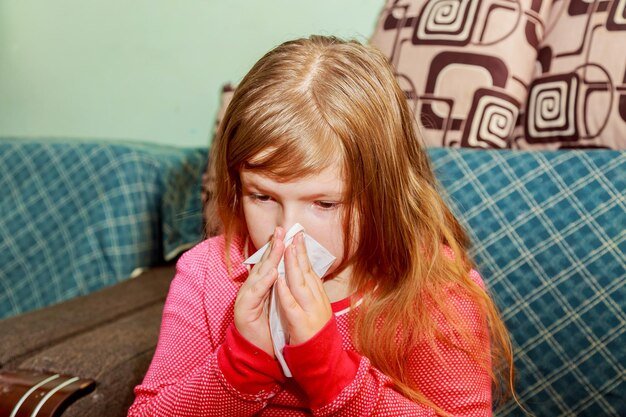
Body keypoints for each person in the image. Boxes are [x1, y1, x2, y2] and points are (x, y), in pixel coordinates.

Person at [128, 35, 514, 417]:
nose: (288, 231)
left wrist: (331, 372)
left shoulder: (433, 291)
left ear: (383, 195)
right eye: (262, 197)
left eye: (324, 204)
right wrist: (242, 363)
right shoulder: (207, 274)